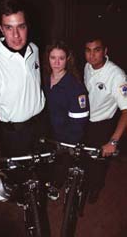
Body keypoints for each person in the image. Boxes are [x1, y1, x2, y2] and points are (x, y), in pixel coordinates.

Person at [0, 0, 50, 236]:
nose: (16, 35)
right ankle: (26, 204)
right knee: (20, 180)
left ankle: (39, 194)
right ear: (0, 28)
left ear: (28, 26)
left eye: (21, 26)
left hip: (40, 125)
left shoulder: (35, 49)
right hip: (14, 133)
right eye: (9, 27)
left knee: (41, 172)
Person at [43, 40, 89, 200]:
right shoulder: (45, 79)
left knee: (61, 164)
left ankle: (57, 184)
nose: (56, 62)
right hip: (49, 133)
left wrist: (68, 143)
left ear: (67, 59)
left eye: (61, 58)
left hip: (67, 137)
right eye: (52, 57)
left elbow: (79, 122)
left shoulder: (75, 87)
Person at [84, 36, 127, 203]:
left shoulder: (116, 75)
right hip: (86, 122)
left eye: (97, 50)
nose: (92, 55)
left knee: (98, 164)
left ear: (105, 51)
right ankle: (85, 184)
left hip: (103, 125)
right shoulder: (88, 66)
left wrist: (113, 141)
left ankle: (95, 188)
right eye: (88, 50)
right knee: (84, 158)